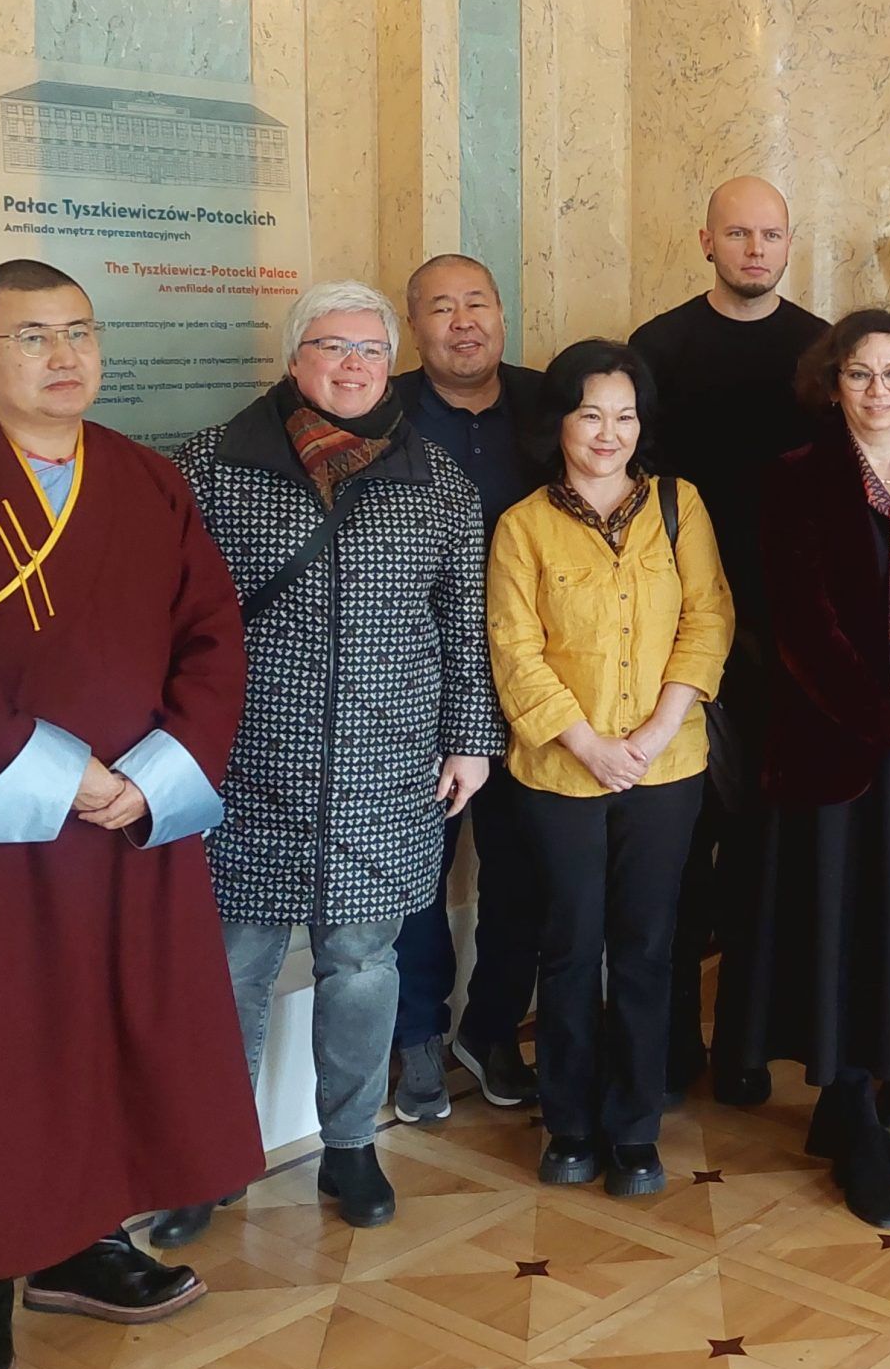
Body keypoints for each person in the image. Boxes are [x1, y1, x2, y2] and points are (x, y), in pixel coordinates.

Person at [0, 259, 260, 1369]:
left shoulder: (147, 482)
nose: (64, 355)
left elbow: (211, 632)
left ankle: (84, 1242)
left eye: (79, 331)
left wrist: (154, 772)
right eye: (31, 335)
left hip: (132, 819)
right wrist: (58, 772)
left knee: (117, 1034)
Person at [160, 282, 502, 1243]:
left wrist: (472, 736)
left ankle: (352, 1142)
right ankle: (208, 1154)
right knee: (231, 967)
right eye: (328, 346)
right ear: (292, 357)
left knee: (361, 962)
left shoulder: (438, 481)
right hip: (246, 769)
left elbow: (463, 625)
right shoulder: (211, 467)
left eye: (367, 347)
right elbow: (170, 624)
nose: (350, 364)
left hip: (385, 770)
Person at [730, 311, 890, 1228]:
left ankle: (856, 1113)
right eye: (858, 375)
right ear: (830, 384)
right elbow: (802, 629)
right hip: (840, 749)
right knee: (841, 927)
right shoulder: (799, 479)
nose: (878, 391)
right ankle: (847, 1116)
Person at [485, 339, 734, 1197]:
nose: (608, 433)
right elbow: (514, 652)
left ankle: (634, 1130)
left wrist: (659, 729)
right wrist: (587, 743)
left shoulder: (680, 505)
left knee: (645, 949)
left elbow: (708, 619)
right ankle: (569, 1124)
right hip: (561, 773)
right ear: (558, 419)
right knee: (568, 946)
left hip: (666, 769)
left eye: (625, 416)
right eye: (590, 413)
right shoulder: (523, 525)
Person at [629, 175, 829, 1104]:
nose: (756, 248)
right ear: (704, 239)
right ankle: (670, 1044)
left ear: (791, 244)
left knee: (759, 853)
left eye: (772, 234)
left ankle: (745, 1042)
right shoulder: (658, 348)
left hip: (787, 643)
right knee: (671, 851)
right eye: (738, 233)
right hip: (671, 638)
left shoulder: (821, 350)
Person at [387, 254, 550, 1123]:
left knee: (522, 872)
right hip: (420, 685)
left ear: (502, 312)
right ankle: (416, 1033)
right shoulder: (385, 413)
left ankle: (488, 1029)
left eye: (476, 302)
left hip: (535, 680)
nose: (462, 322)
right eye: (440, 308)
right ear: (414, 328)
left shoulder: (546, 403)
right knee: (419, 868)